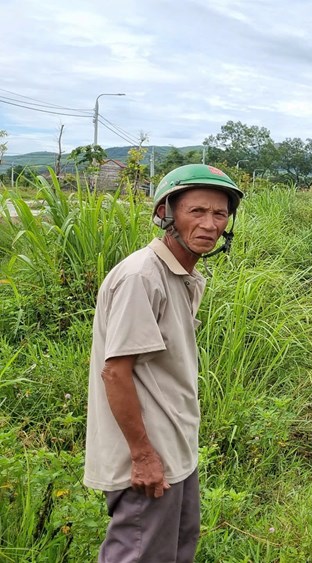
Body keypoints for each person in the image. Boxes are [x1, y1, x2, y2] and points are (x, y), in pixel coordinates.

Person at [84, 164, 243, 562]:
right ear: (165, 214)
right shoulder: (142, 277)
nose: (210, 224)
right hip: (148, 456)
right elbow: (115, 372)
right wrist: (142, 456)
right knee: (141, 554)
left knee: (175, 549)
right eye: (197, 211)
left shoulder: (182, 276)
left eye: (219, 214)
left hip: (175, 451)